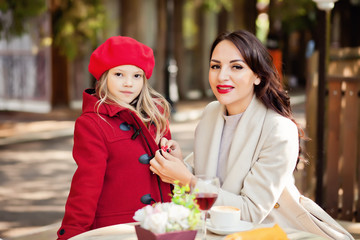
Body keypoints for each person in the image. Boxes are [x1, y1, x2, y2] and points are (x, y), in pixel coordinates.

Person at [150, 30, 354, 240]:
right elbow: (208, 176)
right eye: (215, 66)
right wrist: (179, 164)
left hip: (273, 232)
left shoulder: (279, 130)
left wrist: (186, 180)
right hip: (215, 230)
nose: (222, 76)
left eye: (236, 67)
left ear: (258, 75)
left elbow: (250, 212)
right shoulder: (212, 112)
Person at [57, 36, 173, 239]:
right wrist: (71, 233)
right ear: (104, 77)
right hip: (116, 231)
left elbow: (171, 176)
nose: (129, 83)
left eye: (137, 76)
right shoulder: (92, 123)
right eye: (119, 74)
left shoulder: (156, 116)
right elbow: (86, 186)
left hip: (162, 226)